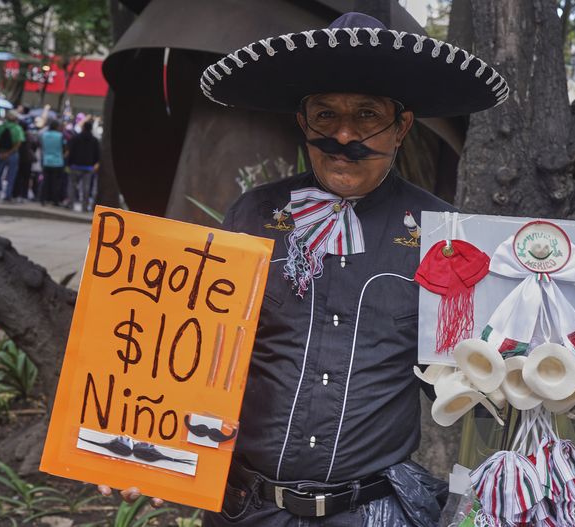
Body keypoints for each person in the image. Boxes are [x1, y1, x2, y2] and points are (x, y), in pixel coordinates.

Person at [98, 11, 509, 526]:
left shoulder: (441, 236)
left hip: (370, 512)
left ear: (401, 126)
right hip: (246, 508)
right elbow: (188, 348)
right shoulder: (251, 215)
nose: (342, 134)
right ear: (302, 120)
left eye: (366, 116)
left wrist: (530, 365)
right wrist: (145, 449)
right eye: (324, 114)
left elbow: (461, 380)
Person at [0, 110, 25, 202]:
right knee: (11, 176)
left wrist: (0, 152)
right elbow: (18, 143)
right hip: (12, 154)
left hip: (1, 153)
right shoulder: (18, 129)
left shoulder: (0, 127)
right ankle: (8, 195)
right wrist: (9, 153)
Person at [66, 119, 100, 212]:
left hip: (75, 166)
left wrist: (68, 163)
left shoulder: (75, 138)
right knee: (86, 187)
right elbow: (98, 155)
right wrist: (94, 164)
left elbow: (70, 152)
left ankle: (70, 205)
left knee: (72, 186)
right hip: (88, 167)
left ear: (83, 127)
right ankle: (84, 207)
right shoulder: (95, 140)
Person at [39, 120, 66, 206]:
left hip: (46, 161)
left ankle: (43, 199)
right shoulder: (60, 136)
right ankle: (55, 200)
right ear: (57, 127)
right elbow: (64, 147)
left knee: (45, 181)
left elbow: (42, 146)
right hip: (58, 162)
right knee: (56, 183)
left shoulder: (44, 135)